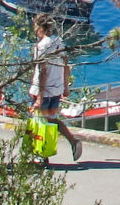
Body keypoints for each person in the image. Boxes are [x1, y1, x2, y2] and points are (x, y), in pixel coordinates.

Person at [30, 14, 84, 162]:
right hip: (56, 89)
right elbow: (66, 65)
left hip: (43, 90)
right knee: (51, 120)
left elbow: (42, 71)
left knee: (39, 122)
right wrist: (65, 86)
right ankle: (71, 142)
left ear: (40, 28)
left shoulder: (41, 46)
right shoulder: (59, 42)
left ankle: (42, 154)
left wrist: (39, 96)